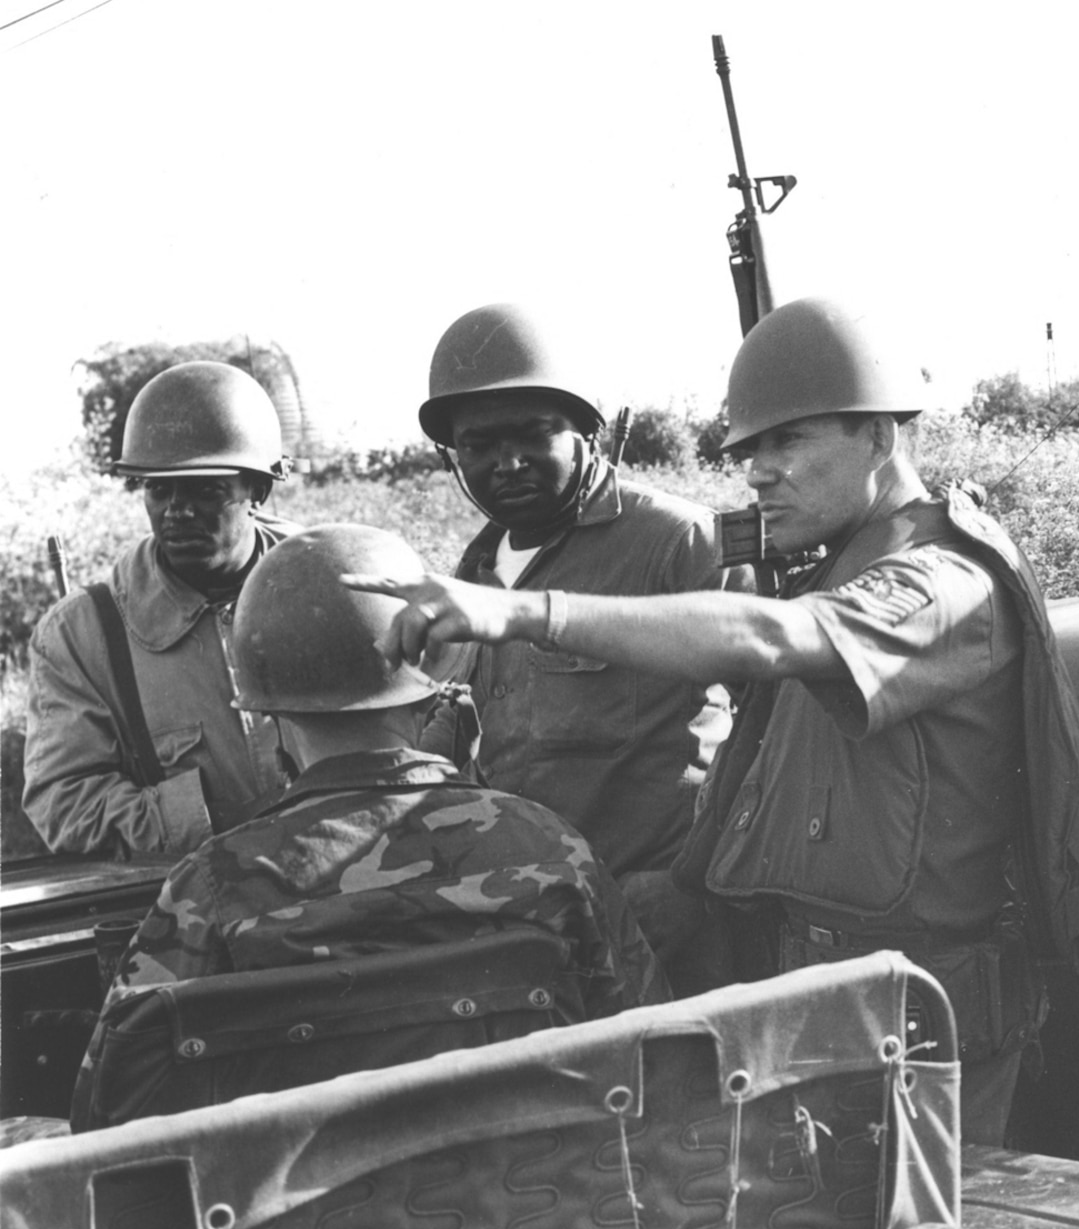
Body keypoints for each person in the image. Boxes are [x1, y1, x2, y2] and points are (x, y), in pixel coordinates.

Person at [351, 298, 1079, 1145]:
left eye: (787, 441)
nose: (758, 470)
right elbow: (760, 747)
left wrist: (527, 612)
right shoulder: (840, 563)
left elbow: (770, 640)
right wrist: (689, 882)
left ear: (880, 436)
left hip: (923, 1021)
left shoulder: (939, 580)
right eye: (750, 448)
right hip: (823, 1001)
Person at [76, 524, 663, 1128]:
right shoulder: (550, 848)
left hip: (309, 1218)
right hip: (529, 1202)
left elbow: (108, 1115)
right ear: (430, 694)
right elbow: (655, 1059)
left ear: (268, 712)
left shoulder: (211, 889)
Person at [418, 303, 738, 990]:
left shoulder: (678, 544)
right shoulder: (471, 576)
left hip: (665, 926)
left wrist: (697, 878)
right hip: (536, 925)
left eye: (534, 434)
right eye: (477, 444)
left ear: (586, 431)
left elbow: (777, 719)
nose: (506, 461)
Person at [25, 361, 297, 858]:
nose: (177, 510)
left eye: (206, 488)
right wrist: (218, 821)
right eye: (158, 488)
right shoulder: (82, 636)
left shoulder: (331, 584)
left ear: (258, 490)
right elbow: (65, 805)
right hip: (197, 911)